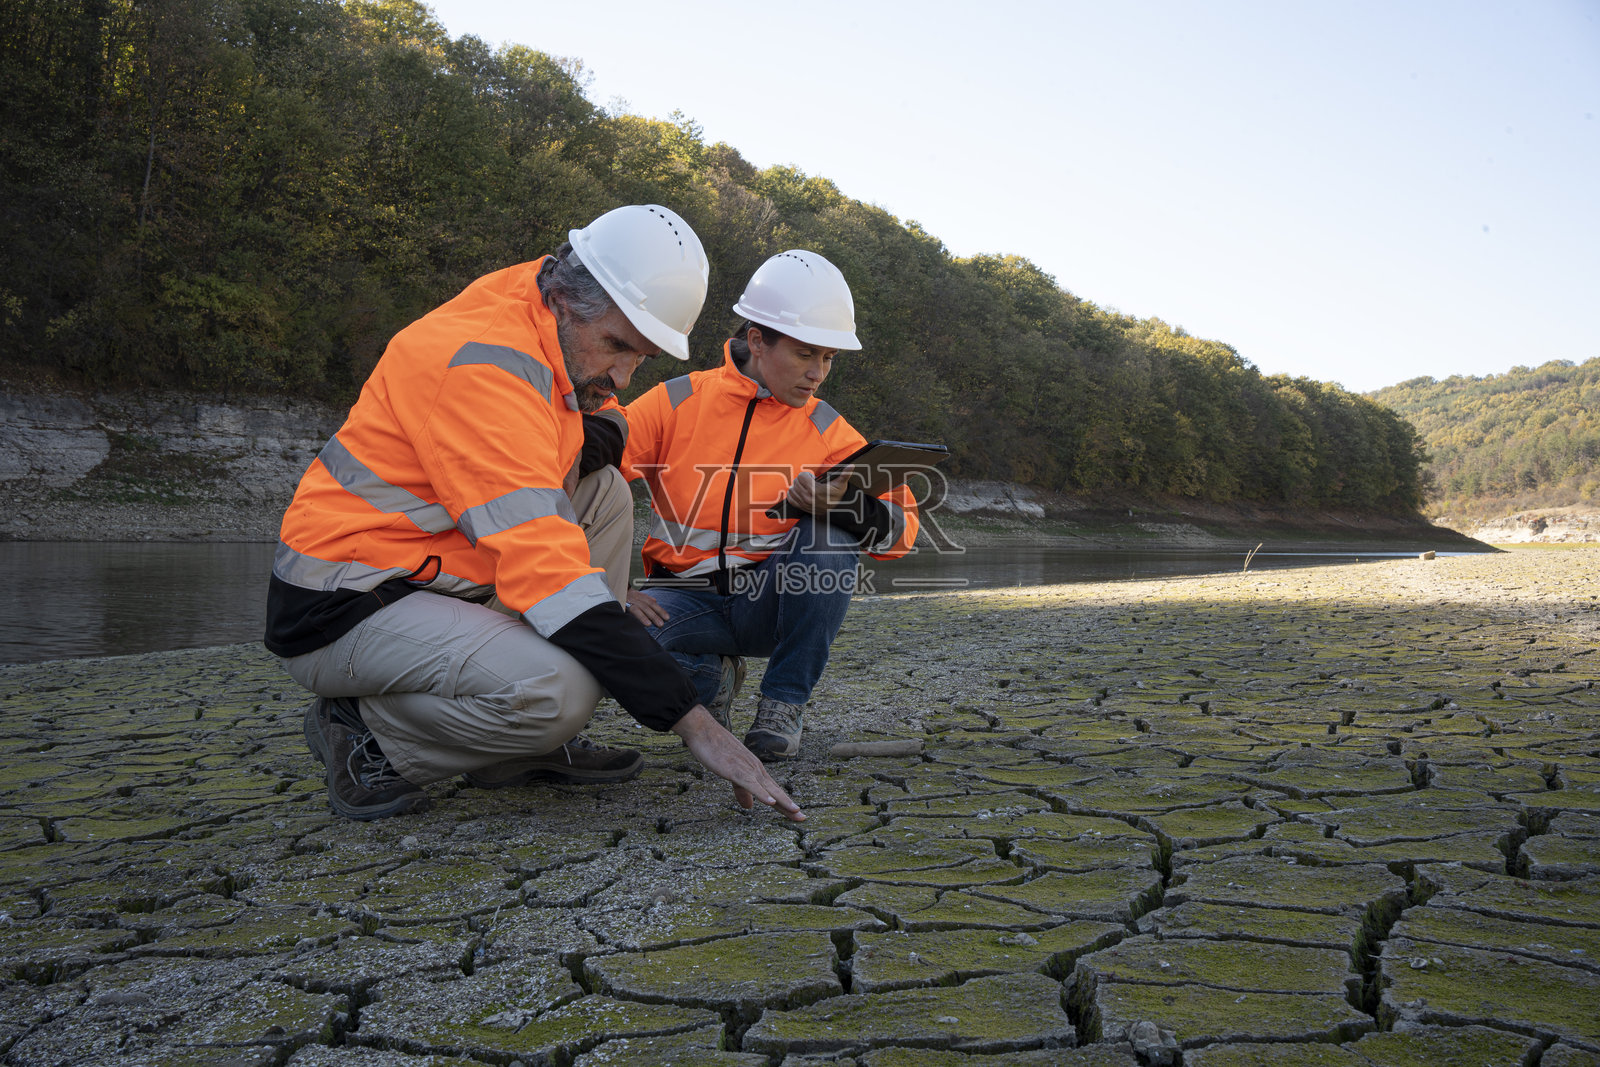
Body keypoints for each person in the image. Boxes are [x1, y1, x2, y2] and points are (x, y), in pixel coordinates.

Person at [264, 204, 802, 824]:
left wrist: (594, 433)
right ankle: (366, 731)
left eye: (643, 359)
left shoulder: (542, 308)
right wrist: (695, 723)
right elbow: (549, 574)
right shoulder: (480, 365)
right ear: (571, 303)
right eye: (618, 348)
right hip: (344, 600)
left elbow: (594, 435)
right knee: (559, 692)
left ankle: (514, 748)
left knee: (606, 493)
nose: (623, 376)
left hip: (429, 566)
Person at [621, 250, 919, 761]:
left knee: (829, 538)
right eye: (806, 354)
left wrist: (841, 507)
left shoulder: (827, 428)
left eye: (828, 358)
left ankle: (783, 705)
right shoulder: (676, 402)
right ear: (757, 340)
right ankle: (706, 677)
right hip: (680, 598)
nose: (818, 373)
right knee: (607, 643)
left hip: (772, 603)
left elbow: (903, 533)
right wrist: (607, 581)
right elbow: (583, 477)